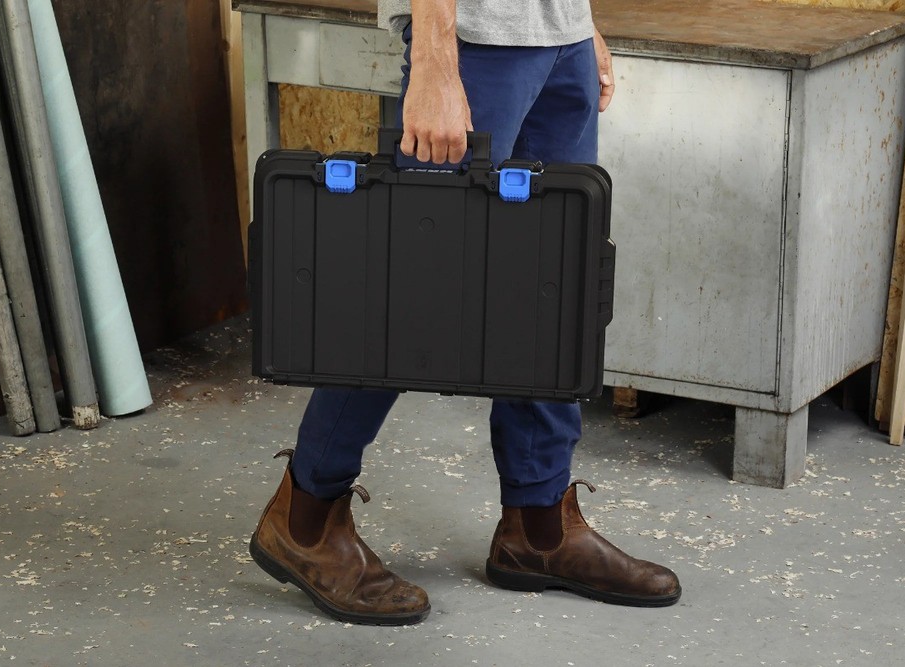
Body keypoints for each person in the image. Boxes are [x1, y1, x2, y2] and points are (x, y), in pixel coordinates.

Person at [248, 0, 682, 626]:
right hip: (472, 43)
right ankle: (306, 518)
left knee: (548, 283)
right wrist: (432, 62)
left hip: (556, 43)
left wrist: (577, 23)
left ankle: (538, 534)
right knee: (418, 287)